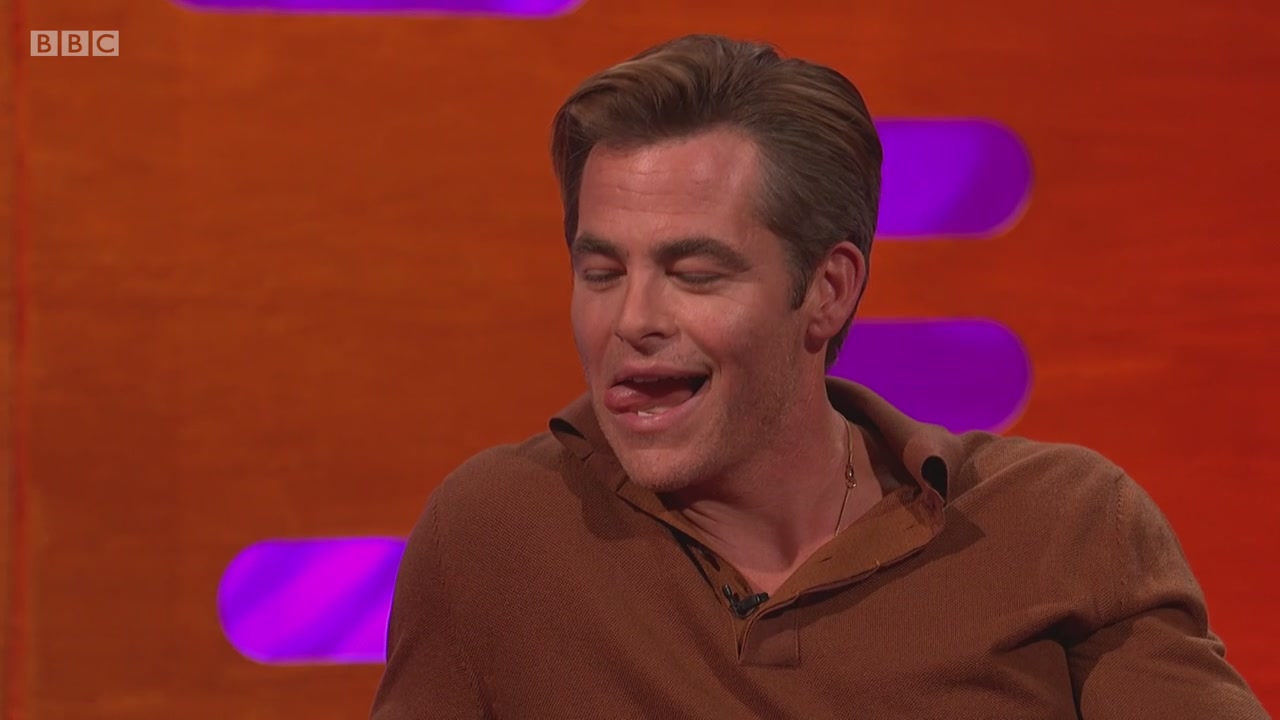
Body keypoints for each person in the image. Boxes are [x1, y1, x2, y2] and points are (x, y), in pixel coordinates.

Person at [370, 34, 1269, 719]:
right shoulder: (495, 535)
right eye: (601, 272)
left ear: (828, 291)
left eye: (694, 273)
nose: (630, 320)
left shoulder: (1064, 524)